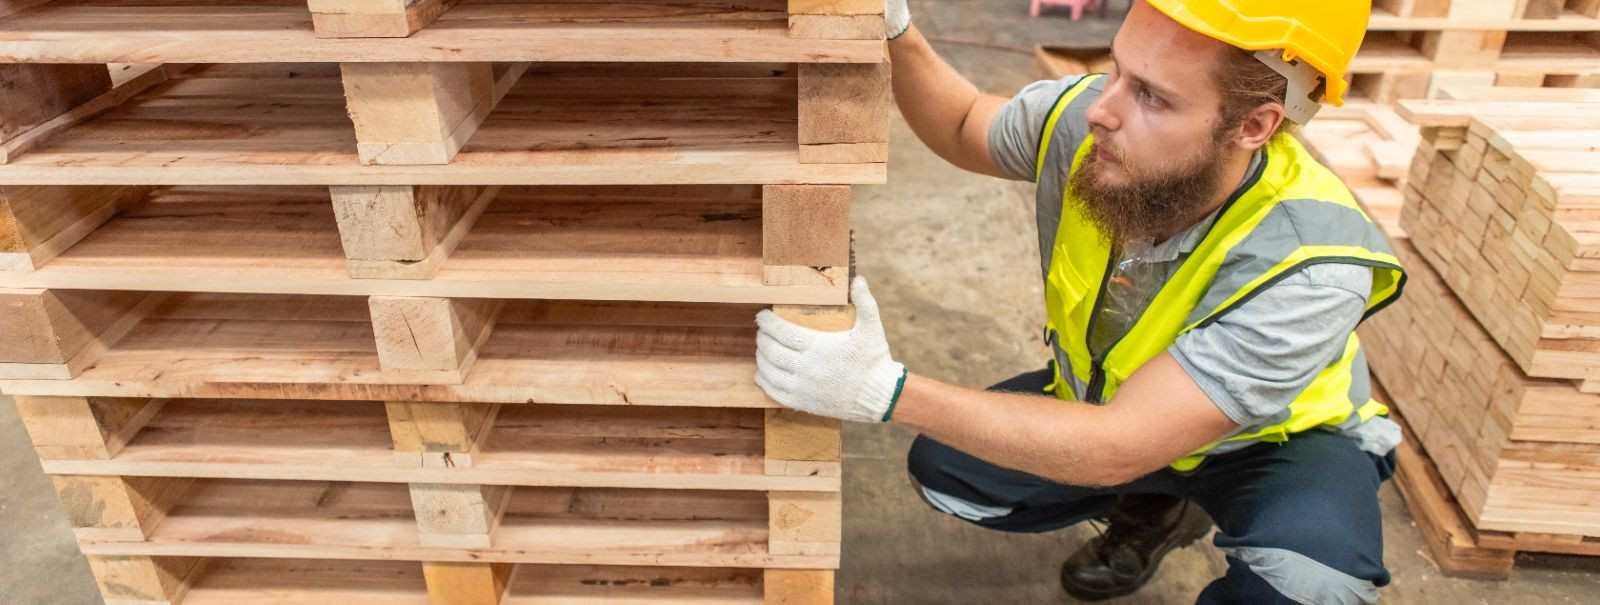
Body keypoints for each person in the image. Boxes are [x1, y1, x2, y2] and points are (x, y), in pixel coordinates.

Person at [752, 1, 1406, 603]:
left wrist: (881, 389)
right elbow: (960, 122)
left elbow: (1117, 444)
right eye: (1116, 70)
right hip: (1113, 405)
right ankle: (1154, 505)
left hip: (1270, 447)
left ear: (1254, 125)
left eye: (1150, 94)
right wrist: (896, 30)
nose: (1103, 109)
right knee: (948, 470)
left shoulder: (1312, 267)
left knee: (1309, 583)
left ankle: (1189, 499)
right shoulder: (1091, 127)